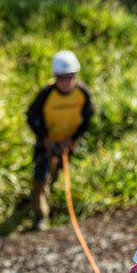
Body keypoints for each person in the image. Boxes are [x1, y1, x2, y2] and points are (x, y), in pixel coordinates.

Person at [26, 50, 94, 230]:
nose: (66, 82)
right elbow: (31, 118)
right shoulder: (46, 95)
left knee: (58, 172)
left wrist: (73, 139)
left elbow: (87, 118)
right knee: (40, 175)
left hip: (67, 142)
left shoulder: (83, 94)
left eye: (69, 77)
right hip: (47, 141)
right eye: (61, 78)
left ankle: (52, 196)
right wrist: (44, 138)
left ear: (75, 75)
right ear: (56, 77)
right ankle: (40, 216)